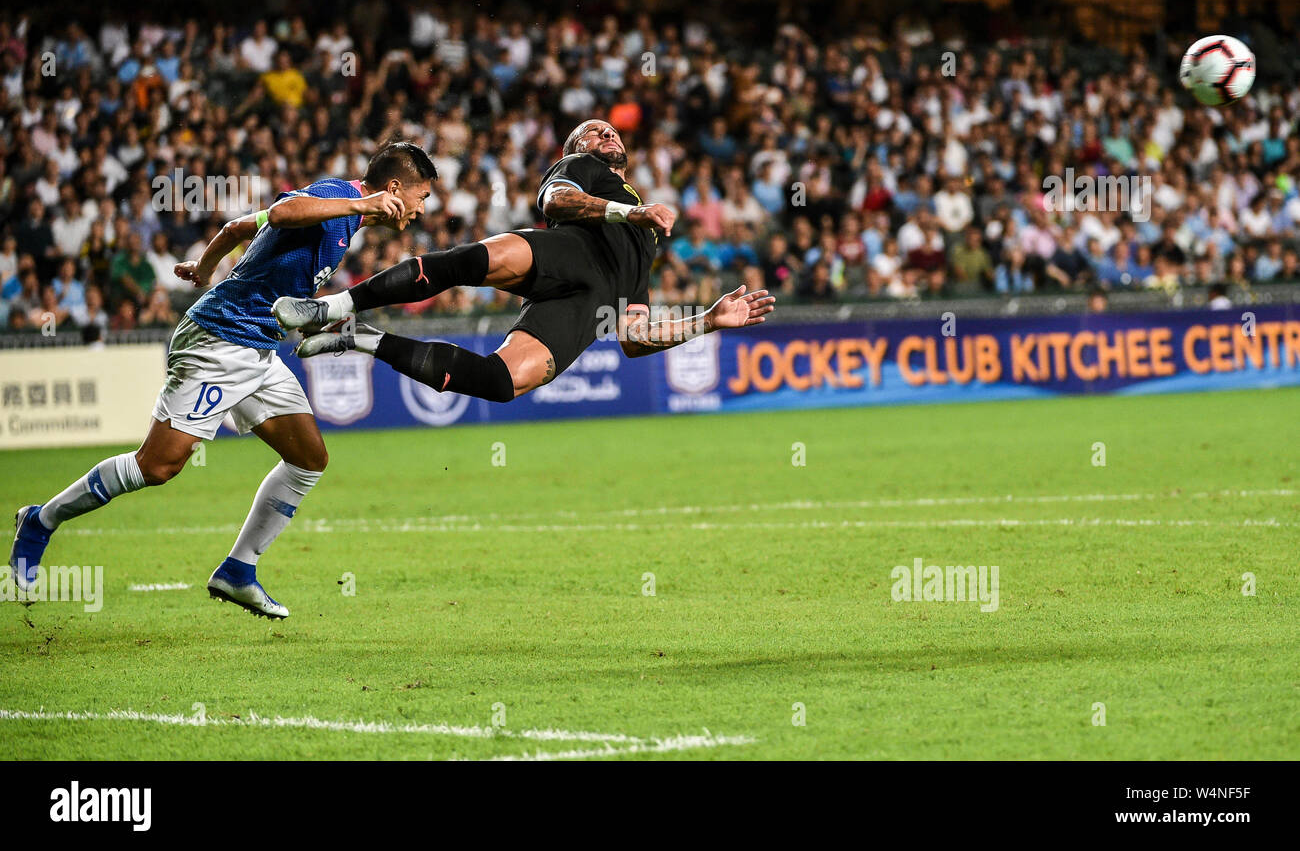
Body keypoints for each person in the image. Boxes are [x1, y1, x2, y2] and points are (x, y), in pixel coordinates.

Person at [9, 142, 426, 619]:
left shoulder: (347, 219)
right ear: (394, 189)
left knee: (309, 458)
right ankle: (41, 521)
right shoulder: (338, 197)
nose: (420, 209)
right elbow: (286, 211)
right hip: (218, 341)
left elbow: (237, 228)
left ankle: (238, 571)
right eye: (421, 196)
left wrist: (203, 269)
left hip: (259, 349)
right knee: (157, 466)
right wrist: (358, 203)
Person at [274, 119, 776, 401]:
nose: (609, 137)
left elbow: (634, 339)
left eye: (613, 133)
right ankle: (333, 307)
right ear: (574, 148)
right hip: (569, 251)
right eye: (595, 132)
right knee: (464, 264)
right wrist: (633, 210)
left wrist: (708, 320)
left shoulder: (646, 242)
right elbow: (554, 201)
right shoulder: (582, 169)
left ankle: (359, 337)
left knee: (501, 382)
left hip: (595, 299)